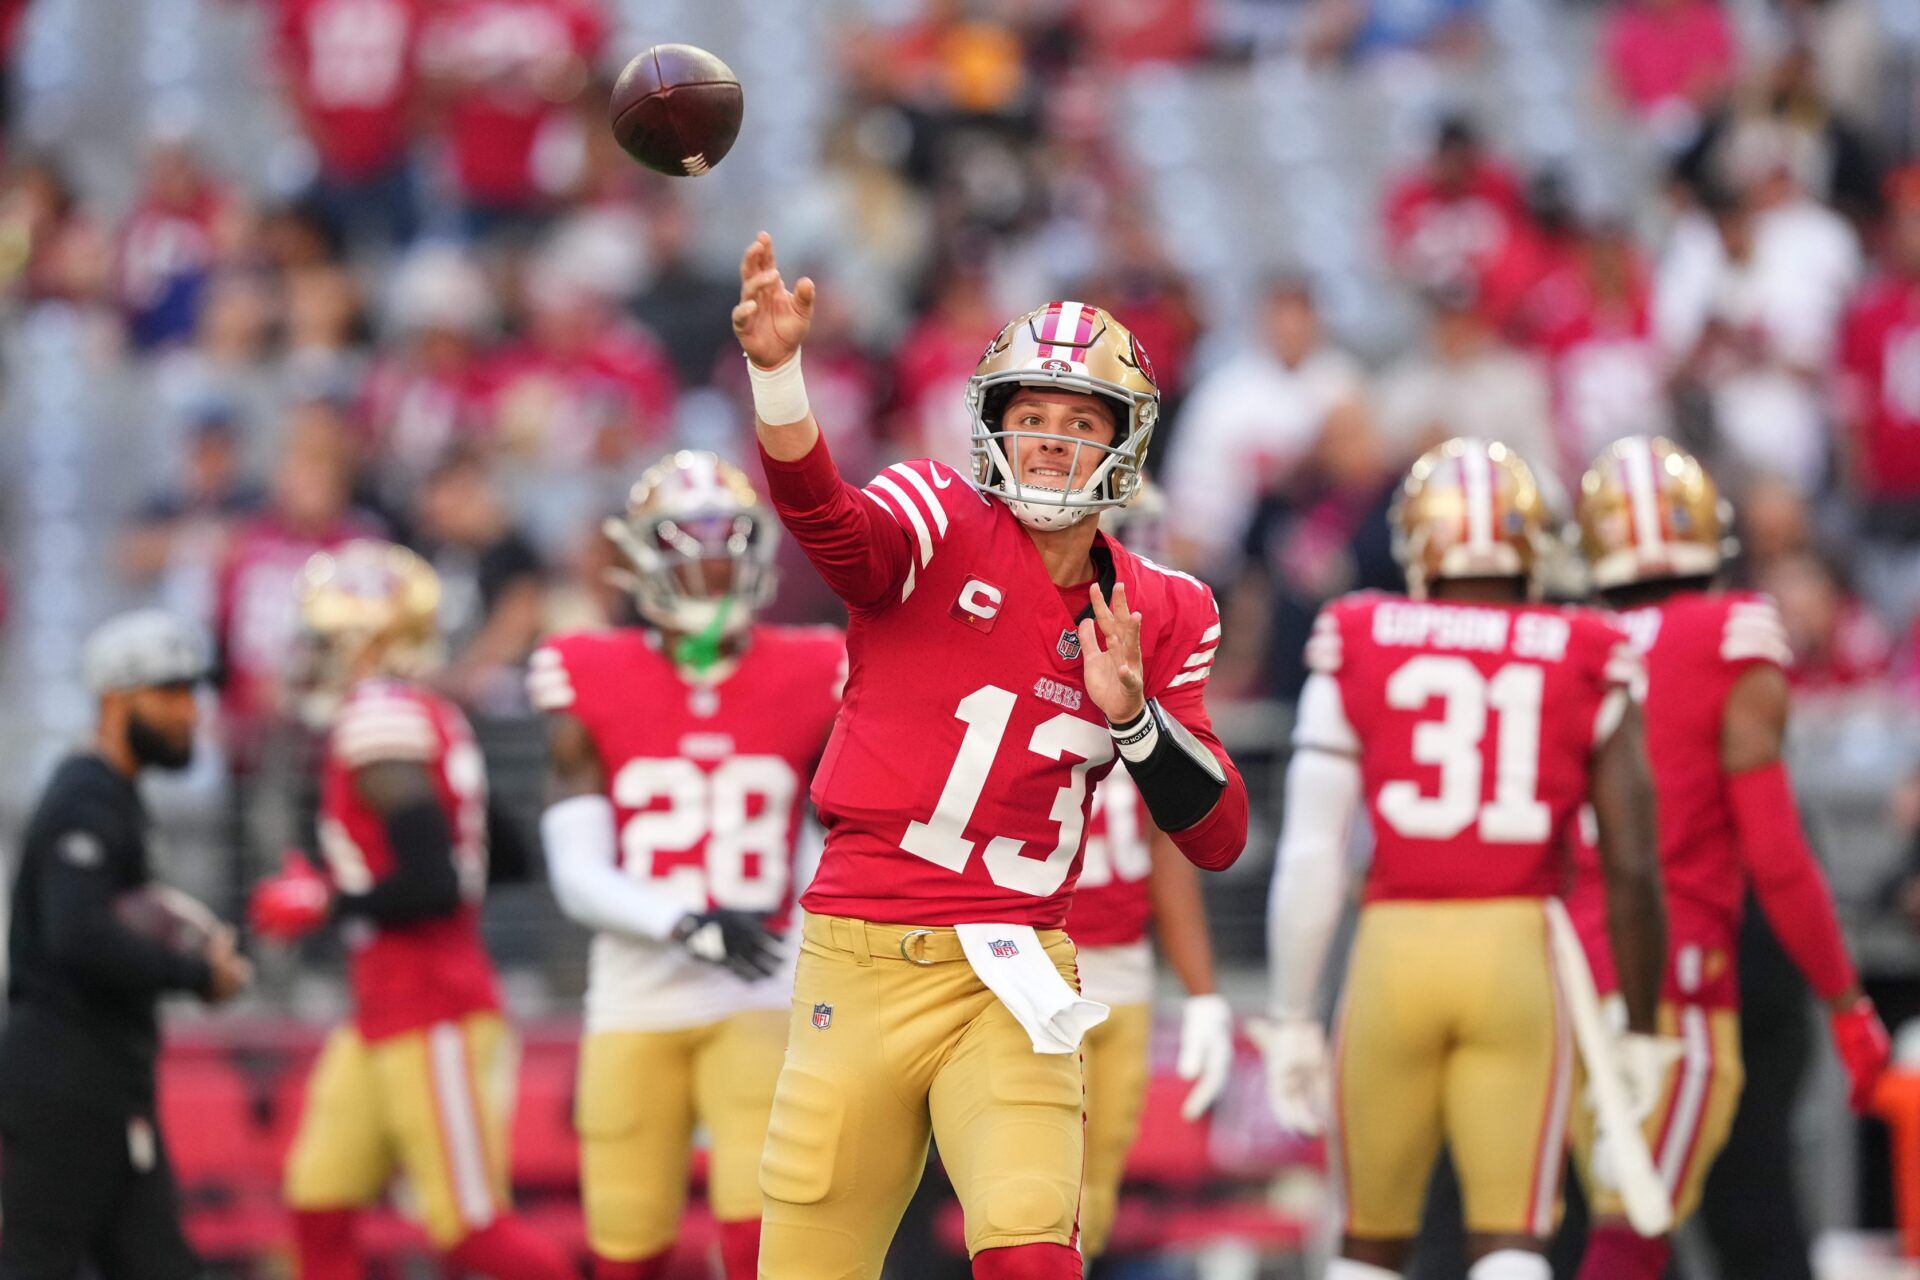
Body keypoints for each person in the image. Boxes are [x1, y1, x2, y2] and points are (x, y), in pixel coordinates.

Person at [731, 232, 1249, 1280]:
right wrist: (779, 375)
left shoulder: (1164, 603)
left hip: (1013, 968)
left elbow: (1218, 832)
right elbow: (829, 524)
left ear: (1126, 439)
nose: (1053, 441)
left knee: (1033, 1249)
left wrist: (1139, 717)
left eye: (1080, 420)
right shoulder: (935, 513)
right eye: (1032, 416)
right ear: (993, 425)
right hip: (859, 954)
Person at [1258, 437, 1668, 1280]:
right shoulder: (1585, 646)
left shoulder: (1360, 630)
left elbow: (1312, 854)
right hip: (1516, 952)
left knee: (1368, 1242)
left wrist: (1292, 1013)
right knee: (1512, 1241)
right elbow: (1631, 864)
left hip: (1393, 952)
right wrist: (1637, 1022)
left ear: (1420, 543)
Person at [1564, 436, 1889, 1280]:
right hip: (1676, 981)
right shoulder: (1729, 634)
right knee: (1646, 1236)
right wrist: (1847, 1004)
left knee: (1569, 1234)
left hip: (1558, 982)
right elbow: (1778, 858)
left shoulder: (1561, 641)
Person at [529, 450, 845, 1280]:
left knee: (760, 1242)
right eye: (686, 540)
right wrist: (685, 922)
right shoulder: (586, 671)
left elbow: (841, 831)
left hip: (762, 987)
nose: (709, 560)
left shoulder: (818, 666)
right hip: (636, 995)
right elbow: (576, 871)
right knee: (628, 1249)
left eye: (728, 538)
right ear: (640, 555)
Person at [247, 540, 572, 1280]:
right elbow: (507, 856)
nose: (313, 654)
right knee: (318, 1203)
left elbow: (434, 883)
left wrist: (328, 899)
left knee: (469, 1229)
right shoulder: (421, 712)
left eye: (327, 638)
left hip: (433, 1007)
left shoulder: (378, 718)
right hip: (383, 1008)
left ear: (368, 639)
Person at [0, 609, 252, 1279]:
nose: (189, 713)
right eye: (169, 694)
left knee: (157, 1264)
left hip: (107, 1076)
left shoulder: (114, 796)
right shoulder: (87, 796)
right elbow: (76, 933)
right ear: (116, 700)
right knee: (39, 1263)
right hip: (65, 1076)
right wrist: (193, 972)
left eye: (192, 694)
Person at [1068, 768, 1233, 1266]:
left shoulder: (1149, 722)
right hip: (1042, 972)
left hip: (1128, 978)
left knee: (1097, 1190)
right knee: (1047, 1188)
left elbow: (1168, 858)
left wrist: (1204, 994)